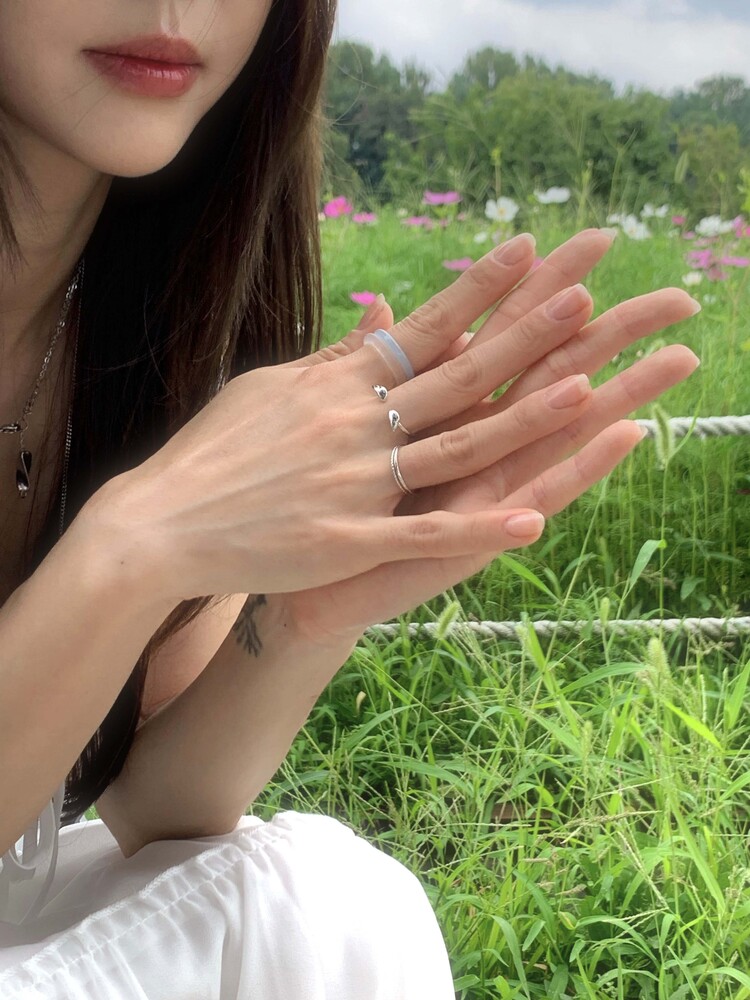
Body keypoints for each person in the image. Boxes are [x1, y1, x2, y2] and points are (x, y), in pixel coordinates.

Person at [0, 1, 700, 996]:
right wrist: (134, 543)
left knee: (320, 899)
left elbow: (158, 812)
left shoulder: (158, 303)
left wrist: (304, 615)